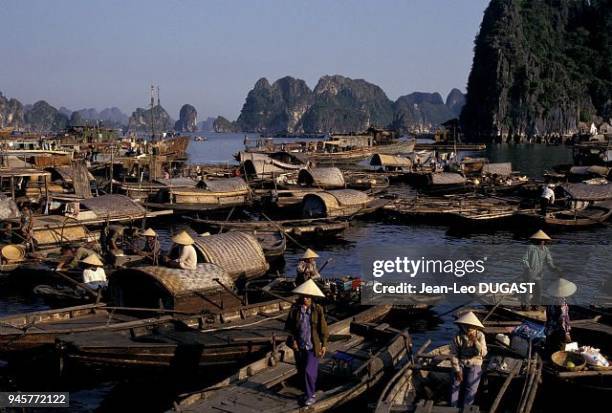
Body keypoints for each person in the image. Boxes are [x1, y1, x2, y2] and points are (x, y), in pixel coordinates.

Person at [284, 279, 328, 407]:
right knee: (302, 370)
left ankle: (311, 395)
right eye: (304, 297)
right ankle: (306, 392)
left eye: (308, 297)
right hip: (299, 346)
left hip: (312, 346)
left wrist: (324, 345)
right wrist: (293, 341)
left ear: (311, 298)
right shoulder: (295, 310)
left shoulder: (317, 310)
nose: (305, 299)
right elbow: (290, 329)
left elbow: (323, 329)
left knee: (310, 371)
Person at [449, 311, 487, 408]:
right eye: (466, 325)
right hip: (461, 362)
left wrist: (475, 341)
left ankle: (466, 408)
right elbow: (453, 354)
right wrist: (457, 370)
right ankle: (453, 408)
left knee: (471, 388)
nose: (468, 328)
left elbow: (483, 353)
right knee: (455, 384)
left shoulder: (480, 335)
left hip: (475, 363)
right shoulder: (457, 336)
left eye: (471, 326)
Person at [521, 230, 559, 310]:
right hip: (529, 274)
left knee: (538, 290)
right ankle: (526, 306)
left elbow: (549, 261)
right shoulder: (531, 248)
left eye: (543, 240)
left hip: (539, 274)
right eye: (541, 240)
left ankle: (536, 305)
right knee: (527, 290)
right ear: (537, 240)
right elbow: (524, 260)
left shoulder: (545, 250)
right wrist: (528, 268)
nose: (542, 242)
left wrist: (554, 268)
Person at [544, 278, 576, 357]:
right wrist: (567, 333)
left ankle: (548, 357)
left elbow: (549, 316)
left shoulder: (550, 301)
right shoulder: (562, 305)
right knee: (560, 350)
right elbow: (563, 320)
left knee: (550, 347)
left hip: (549, 328)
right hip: (558, 331)